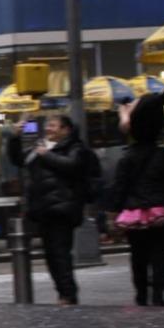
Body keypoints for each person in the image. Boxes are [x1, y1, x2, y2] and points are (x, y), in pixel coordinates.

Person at [104, 93, 164, 306]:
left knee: (138, 256)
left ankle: (141, 293)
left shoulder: (127, 157)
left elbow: (120, 187)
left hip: (135, 214)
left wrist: (112, 212)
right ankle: (158, 293)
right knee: (160, 256)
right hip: (162, 213)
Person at [21, 115, 101, 306]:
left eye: (53, 125)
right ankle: (64, 293)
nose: (49, 128)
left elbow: (72, 166)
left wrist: (46, 155)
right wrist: (16, 138)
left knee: (60, 254)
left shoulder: (75, 148)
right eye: (48, 125)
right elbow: (20, 159)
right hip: (44, 209)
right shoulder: (44, 147)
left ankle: (68, 295)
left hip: (63, 209)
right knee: (51, 255)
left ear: (66, 129)